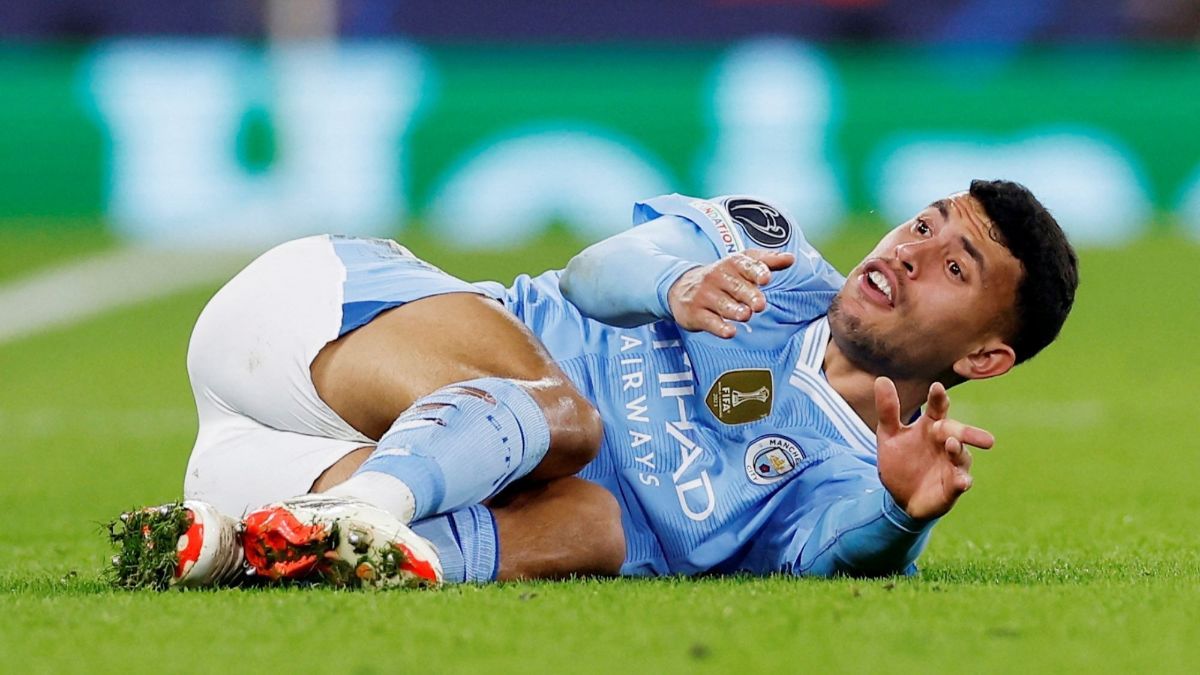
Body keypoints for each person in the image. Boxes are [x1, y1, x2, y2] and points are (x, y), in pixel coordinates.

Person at [108, 179, 1077, 590]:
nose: (912, 253)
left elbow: (836, 555)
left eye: (958, 267)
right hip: (330, 322)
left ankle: (243, 543)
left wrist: (901, 512)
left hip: (287, 458)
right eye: (923, 225)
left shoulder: (834, 474)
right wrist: (677, 285)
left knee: (600, 528)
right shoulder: (765, 254)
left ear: (985, 359)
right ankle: (364, 511)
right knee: (567, 424)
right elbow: (594, 274)